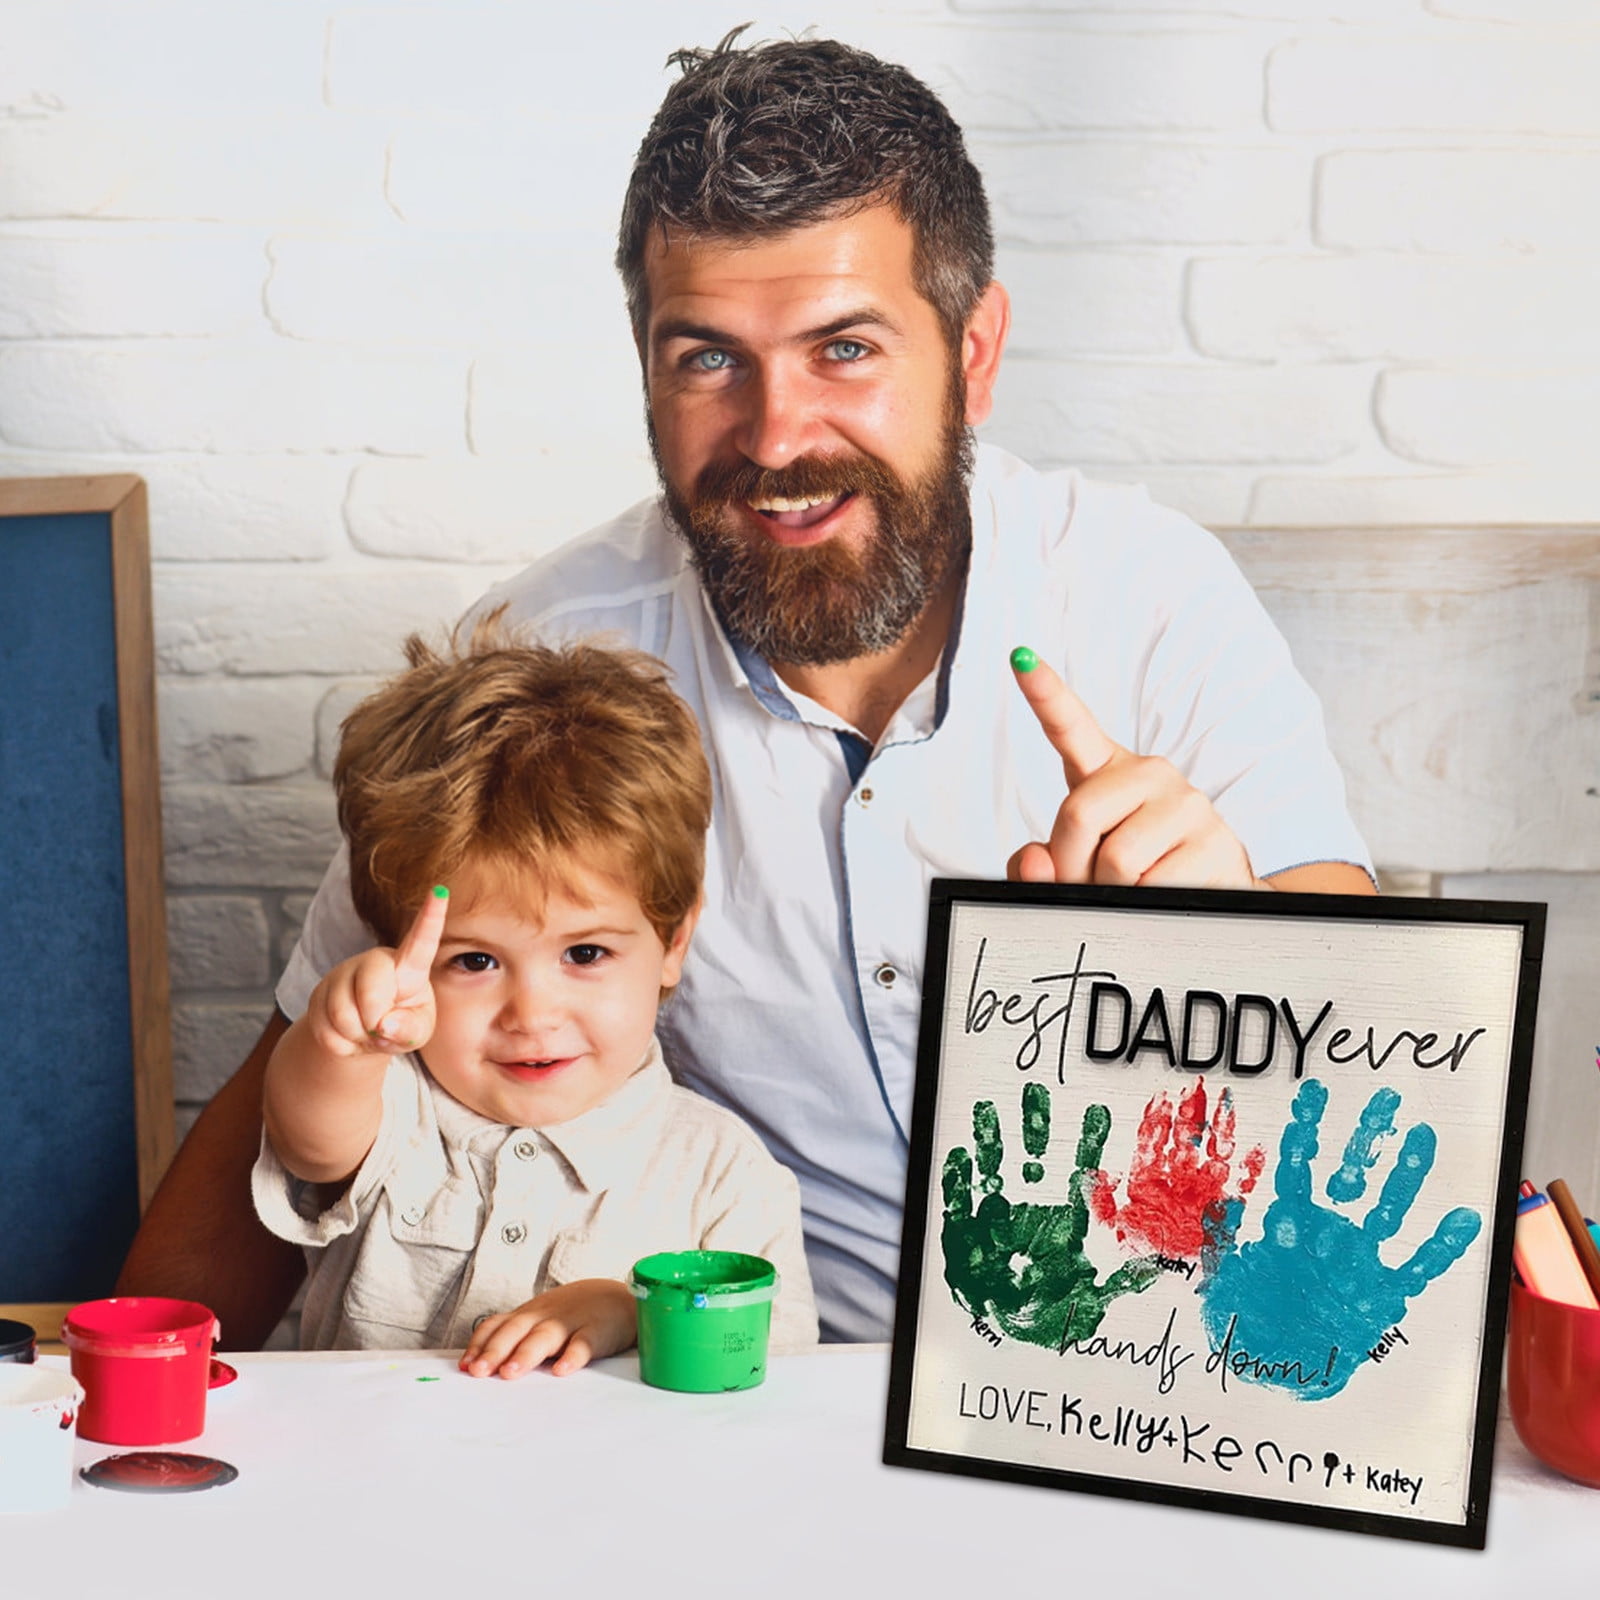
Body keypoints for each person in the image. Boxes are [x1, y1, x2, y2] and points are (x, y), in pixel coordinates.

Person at [119, 32, 1374, 1348]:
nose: (778, 439)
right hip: (746, 1404)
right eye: (707, 358)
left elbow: (1373, 1062)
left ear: (976, 351)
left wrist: (1242, 948)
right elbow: (323, 1056)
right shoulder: (556, 665)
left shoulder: (1148, 596)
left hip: (1131, 1383)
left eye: (845, 350)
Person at [252, 624, 816, 1371]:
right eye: (475, 961)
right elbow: (311, 1142)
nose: (531, 1014)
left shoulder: (720, 1172)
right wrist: (339, 1043)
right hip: (385, 1482)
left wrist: (627, 1311)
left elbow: (770, 1370)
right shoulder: (397, 1107)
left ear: (673, 943)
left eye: (585, 954)